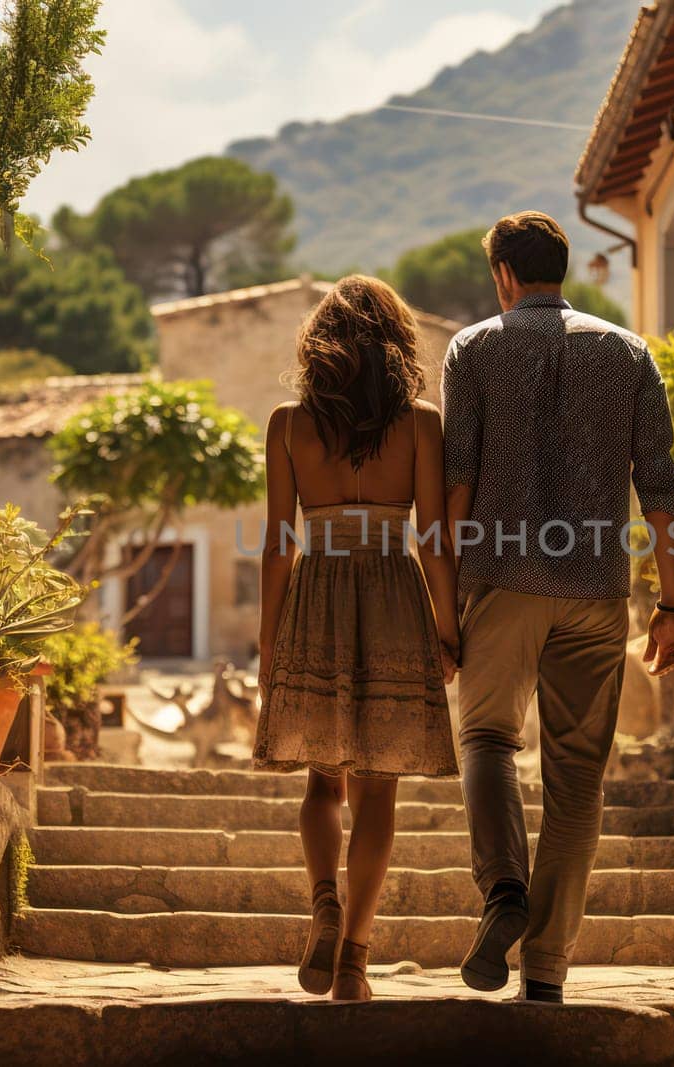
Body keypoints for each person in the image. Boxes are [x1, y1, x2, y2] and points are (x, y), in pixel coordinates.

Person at [443, 211, 674, 1003]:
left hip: (500, 578)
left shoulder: (472, 349)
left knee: (485, 735)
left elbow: (456, 484)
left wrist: (444, 601)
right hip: (594, 589)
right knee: (577, 778)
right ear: (561, 268)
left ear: (505, 277)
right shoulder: (628, 352)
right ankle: (545, 971)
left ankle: (504, 890)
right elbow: (661, 489)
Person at [252, 275, 461, 1002]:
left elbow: (280, 543)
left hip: (317, 590)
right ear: (396, 343)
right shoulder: (422, 423)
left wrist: (268, 642)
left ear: (322, 344)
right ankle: (353, 963)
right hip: (393, 593)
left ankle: (322, 900)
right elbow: (434, 538)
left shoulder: (288, 423)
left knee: (320, 777)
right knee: (379, 790)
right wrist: (447, 629)